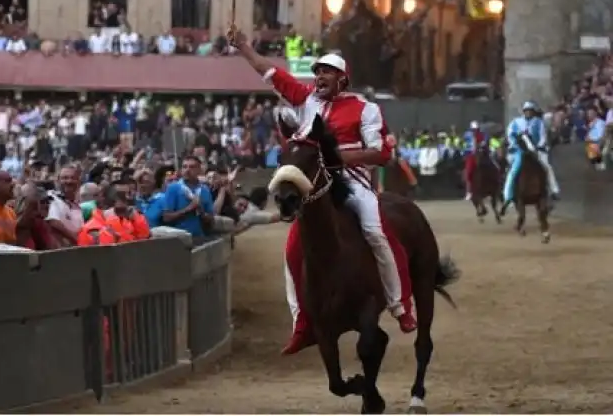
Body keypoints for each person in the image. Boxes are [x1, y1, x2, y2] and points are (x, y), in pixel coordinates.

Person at [227, 24, 416, 356]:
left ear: (343, 78)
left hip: (354, 182)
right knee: (291, 250)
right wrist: (243, 46)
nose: (320, 76)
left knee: (375, 231)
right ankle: (302, 322)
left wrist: (337, 156)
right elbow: (270, 72)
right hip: (315, 183)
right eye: (317, 72)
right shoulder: (305, 99)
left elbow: (381, 154)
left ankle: (400, 305)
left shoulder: (365, 108)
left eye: (327, 71)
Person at [502, 101, 560, 213]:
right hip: (519, 151)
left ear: (533, 112)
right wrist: (514, 145)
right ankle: (508, 196)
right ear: (524, 112)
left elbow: (542, 136)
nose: (529, 113)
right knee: (513, 171)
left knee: (547, 167)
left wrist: (538, 146)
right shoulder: (515, 122)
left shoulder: (539, 122)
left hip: (536, 151)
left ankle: (553, 190)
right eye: (527, 111)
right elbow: (510, 135)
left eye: (530, 111)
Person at [162, 155, 214, 239]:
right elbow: (166, 217)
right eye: (184, 167)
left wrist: (201, 212)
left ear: (199, 170)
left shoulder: (205, 190)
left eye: (192, 167)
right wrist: (189, 209)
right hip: (179, 240)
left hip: (200, 238)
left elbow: (211, 219)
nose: (187, 170)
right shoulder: (173, 188)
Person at [462, 120, 488, 200]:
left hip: (480, 154)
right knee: (469, 172)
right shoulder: (467, 135)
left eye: (476, 129)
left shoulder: (482, 135)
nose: (475, 131)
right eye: (474, 129)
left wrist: (481, 144)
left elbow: (485, 142)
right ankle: (469, 192)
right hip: (470, 155)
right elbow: (465, 145)